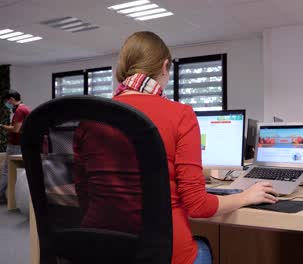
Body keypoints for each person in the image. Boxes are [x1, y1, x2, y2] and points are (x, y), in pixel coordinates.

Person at [73, 31, 278, 264]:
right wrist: (245, 196)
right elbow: (198, 206)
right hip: (163, 253)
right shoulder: (180, 115)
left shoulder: (89, 120)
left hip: (99, 250)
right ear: (164, 66)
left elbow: (85, 192)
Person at [0, 90, 31, 204]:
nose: (7, 103)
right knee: (13, 171)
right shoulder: (24, 109)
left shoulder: (19, 110)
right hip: (21, 144)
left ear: (12, 99)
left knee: (6, 171)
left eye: (7, 101)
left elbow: (16, 129)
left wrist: (2, 126)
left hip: (15, 145)